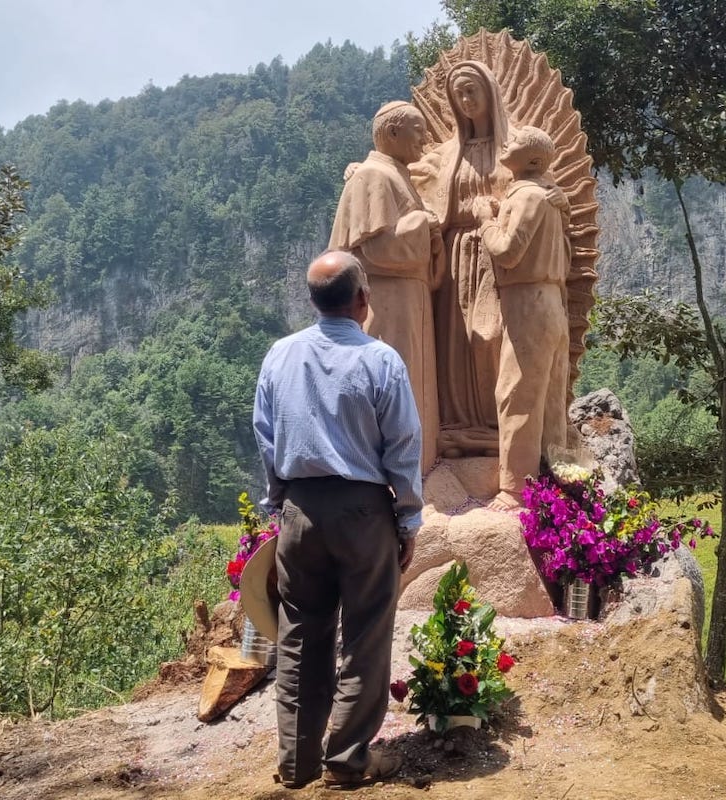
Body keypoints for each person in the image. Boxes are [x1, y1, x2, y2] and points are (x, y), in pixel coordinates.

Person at [252, 251, 421, 790]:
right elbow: (402, 448)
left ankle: (296, 763)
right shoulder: (381, 361)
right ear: (362, 300)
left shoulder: (280, 356)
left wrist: (281, 503)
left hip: (300, 510)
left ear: (313, 301)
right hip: (363, 510)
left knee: (301, 633)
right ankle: (347, 758)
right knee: (366, 632)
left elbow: (267, 438)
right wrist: (408, 521)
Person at [330, 101, 445, 472]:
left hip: (410, 294)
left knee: (412, 382)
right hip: (389, 296)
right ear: (392, 132)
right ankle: (393, 476)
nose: (424, 139)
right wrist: (422, 224)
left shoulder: (395, 174)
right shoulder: (373, 177)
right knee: (395, 384)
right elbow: (377, 248)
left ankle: (418, 471)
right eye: (417, 130)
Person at [413, 60, 517, 456]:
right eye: (459, 94)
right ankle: (458, 422)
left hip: (494, 252)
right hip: (454, 253)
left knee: (486, 336)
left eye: (472, 90)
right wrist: (360, 171)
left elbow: (537, 189)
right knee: (452, 341)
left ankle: (495, 421)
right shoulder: (446, 154)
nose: (466, 99)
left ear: (489, 93)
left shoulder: (513, 147)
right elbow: (405, 175)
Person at [474, 127, 571, 509]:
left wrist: (485, 219)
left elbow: (508, 250)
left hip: (529, 302)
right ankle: (554, 479)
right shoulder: (545, 197)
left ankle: (515, 490)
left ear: (531, 160)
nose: (505, 144)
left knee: (517, 393)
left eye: (513, 143)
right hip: (545, 302)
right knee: (545, 396)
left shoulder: (530, 196)